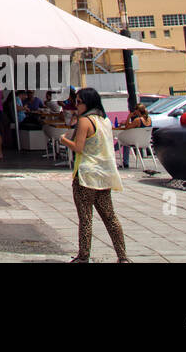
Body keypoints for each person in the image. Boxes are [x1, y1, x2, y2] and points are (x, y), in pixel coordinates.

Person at [60, 87, 130, 263]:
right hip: (104, 174)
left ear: (87, 102)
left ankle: (83, 256)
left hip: (86, 175)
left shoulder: (85, 121)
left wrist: (63, 140)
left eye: (79, 102)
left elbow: (78, 147)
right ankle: (123, 257)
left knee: (85, 218)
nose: (76, 105)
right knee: (110, 217)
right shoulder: (104, 120)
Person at [118, 103, 152, 169]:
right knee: (124, 140)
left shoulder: (137, 120)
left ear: (137, 111)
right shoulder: (149, 119)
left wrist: (129, 117)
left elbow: (126, 127)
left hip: (137, 142)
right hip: (145, 142)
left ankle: (125, 162)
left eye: (135, 110)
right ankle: (124, 161)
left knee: (123, 141)